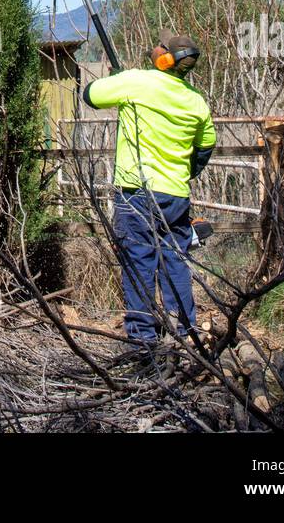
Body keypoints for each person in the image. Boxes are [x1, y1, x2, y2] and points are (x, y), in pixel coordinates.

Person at [83, 32, 216, 346]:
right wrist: (184, 172)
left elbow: (90, 94)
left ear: (166, 58)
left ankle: (143, 341)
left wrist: (120, 82)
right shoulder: (195, 101)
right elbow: (205, 147)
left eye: (160, 46)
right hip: (176, 196)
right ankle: (184, 333)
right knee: (176, 262)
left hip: (136, 195)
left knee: (139, 263)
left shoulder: (137, 82)